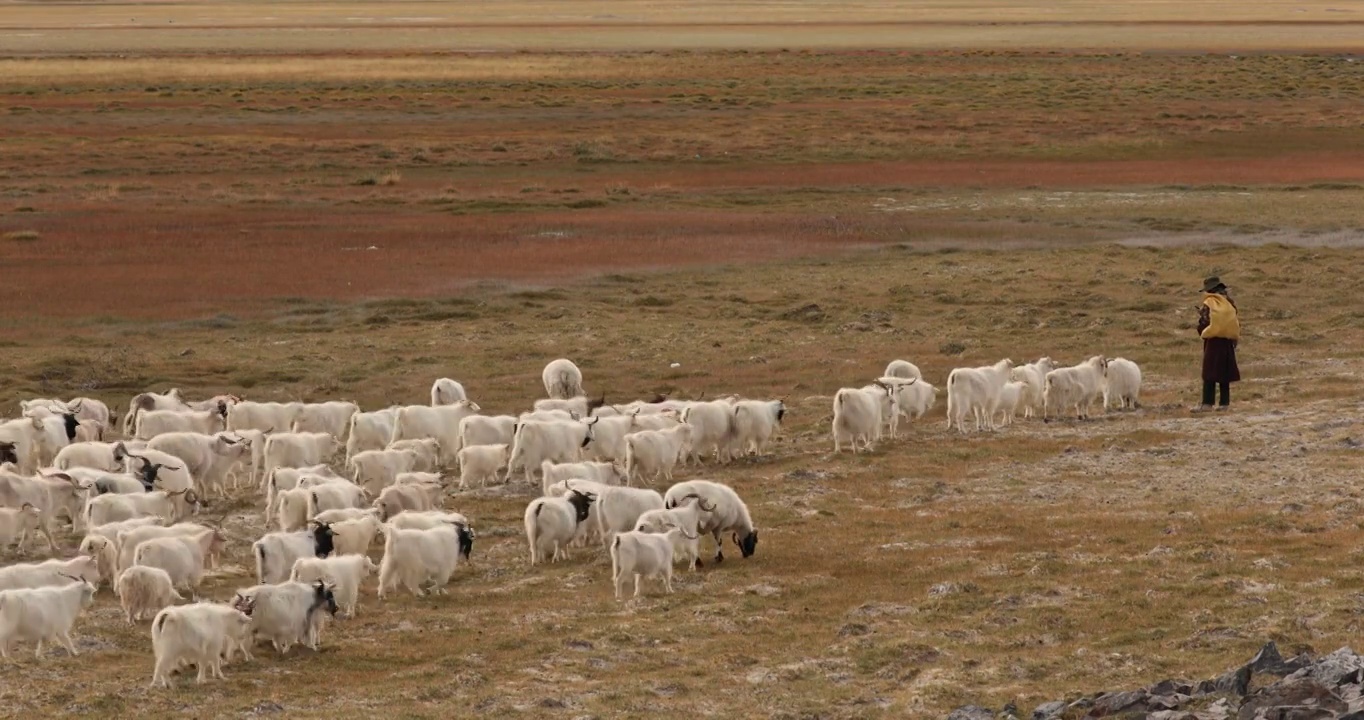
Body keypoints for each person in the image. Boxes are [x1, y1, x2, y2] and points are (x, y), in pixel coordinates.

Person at [1195, 275, 1240, 412]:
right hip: (1227, 341)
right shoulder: (1229, 302)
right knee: (1224, 373)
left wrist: (1201, 330)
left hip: (1213, 341)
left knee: (1209, 372)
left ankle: (1207, 403)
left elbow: (1204, 321)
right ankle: (1224, 403)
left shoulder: (1210, 302)